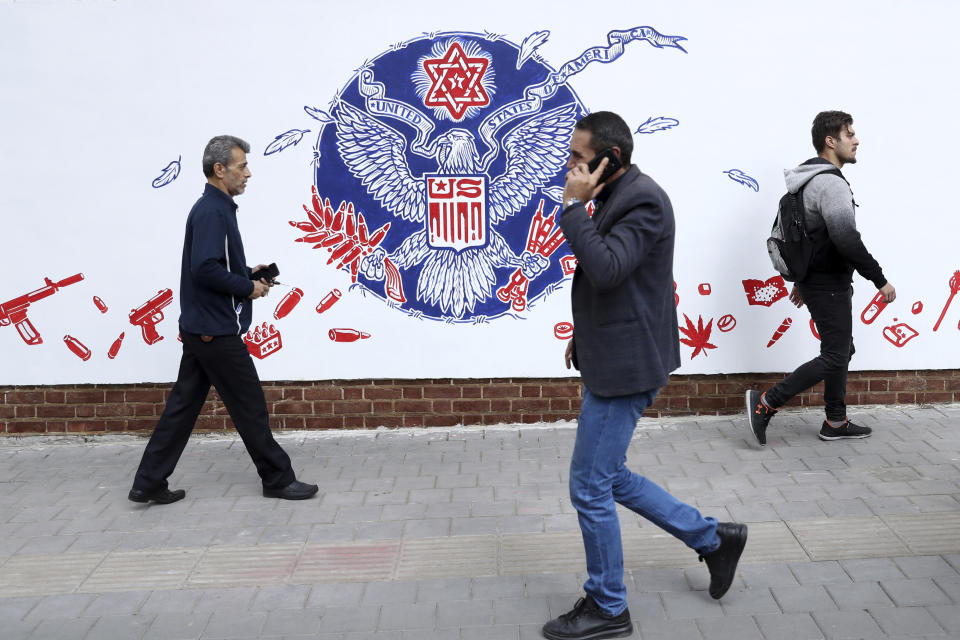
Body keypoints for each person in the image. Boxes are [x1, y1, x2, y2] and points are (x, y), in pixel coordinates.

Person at [541, 112, 747, 640]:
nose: (570, 168)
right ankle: (713, 539)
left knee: (589, 486)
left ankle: (609, 608)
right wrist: (585, 334)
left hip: (628, 365)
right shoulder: (616, 194)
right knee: (609, 477)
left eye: (579, 159)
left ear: (611, 158)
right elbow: (620, 280)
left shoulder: (642, 199)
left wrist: (571, 207)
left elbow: (608, 267)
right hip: (615, 350)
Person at [129, 135, 318, 504]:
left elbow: (216, 266)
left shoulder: (213, 208)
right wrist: (247, 289)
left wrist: (248, 273)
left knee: (181, 409)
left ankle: (148, 481)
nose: (248, 173)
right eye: (241, 166)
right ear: (220, 170)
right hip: (216, 332)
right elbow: (205, 270)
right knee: (250, 407)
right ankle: (277, 478)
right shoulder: (213, 211)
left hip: (203, 329)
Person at [746, 111, 895, 446]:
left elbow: (810, 236)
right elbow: (845, 240)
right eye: (850, 134)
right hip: (827, 285)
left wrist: (801, 281)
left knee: (840, 350)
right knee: (836, 355)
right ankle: (766, 402)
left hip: (820, 282)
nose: (856, 140)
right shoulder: (830, 183)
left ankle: (836, 421)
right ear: (831, 141)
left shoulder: (808, 181)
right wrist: (879, 279)